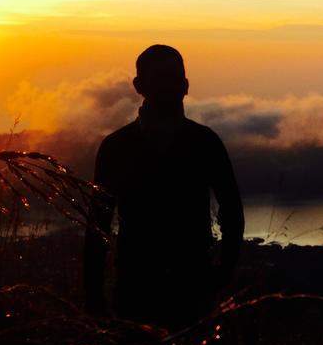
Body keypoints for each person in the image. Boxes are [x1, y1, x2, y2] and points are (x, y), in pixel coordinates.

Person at [84, 45, 243, 326]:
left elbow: (232, 209)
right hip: (137, 290)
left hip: (191, 289)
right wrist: (93, 294)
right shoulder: (116, 147)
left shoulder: (205, 143)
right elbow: (98, 222)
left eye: (175, 78)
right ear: (139, 85)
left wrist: (223, 271)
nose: (169, 86)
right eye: (160, 78)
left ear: (185, 86)